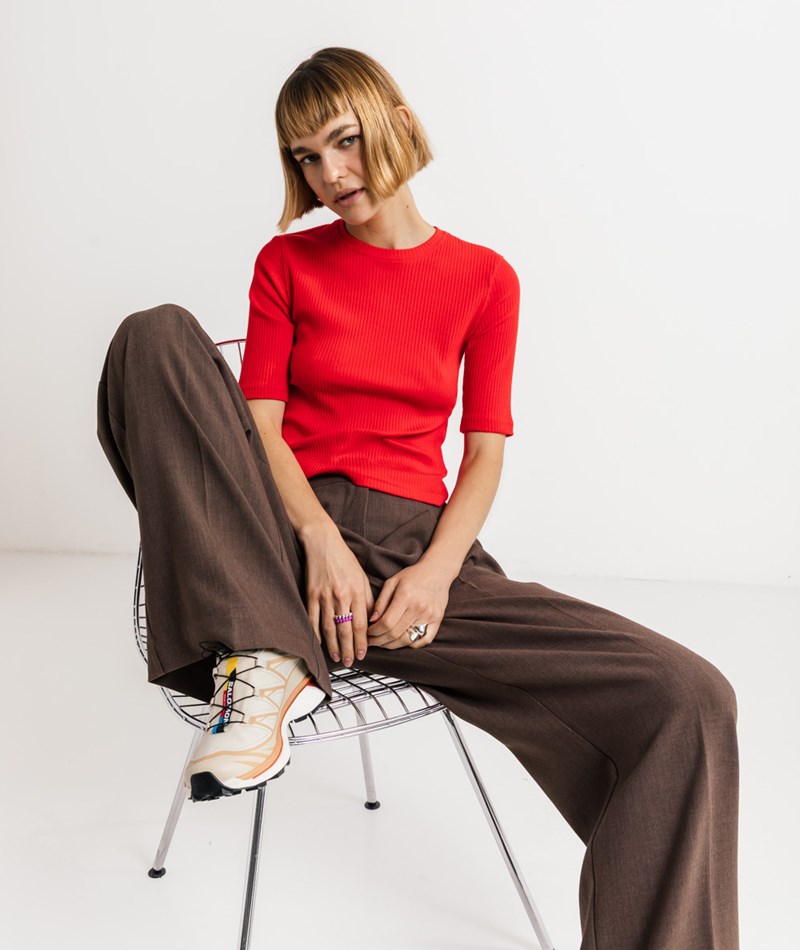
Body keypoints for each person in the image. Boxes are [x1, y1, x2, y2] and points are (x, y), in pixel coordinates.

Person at [97, 47, 739, 950]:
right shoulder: (288, 263)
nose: (329, 174)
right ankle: (265, 660)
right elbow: (261, 430)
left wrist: (437, 575)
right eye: (306, 158)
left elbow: (483, 454)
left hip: (418, 555)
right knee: (154, 334)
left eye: (344, 142)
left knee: (689, 697)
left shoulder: (484, 277)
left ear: (397, 121)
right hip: (280, 545)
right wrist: (317, 539)